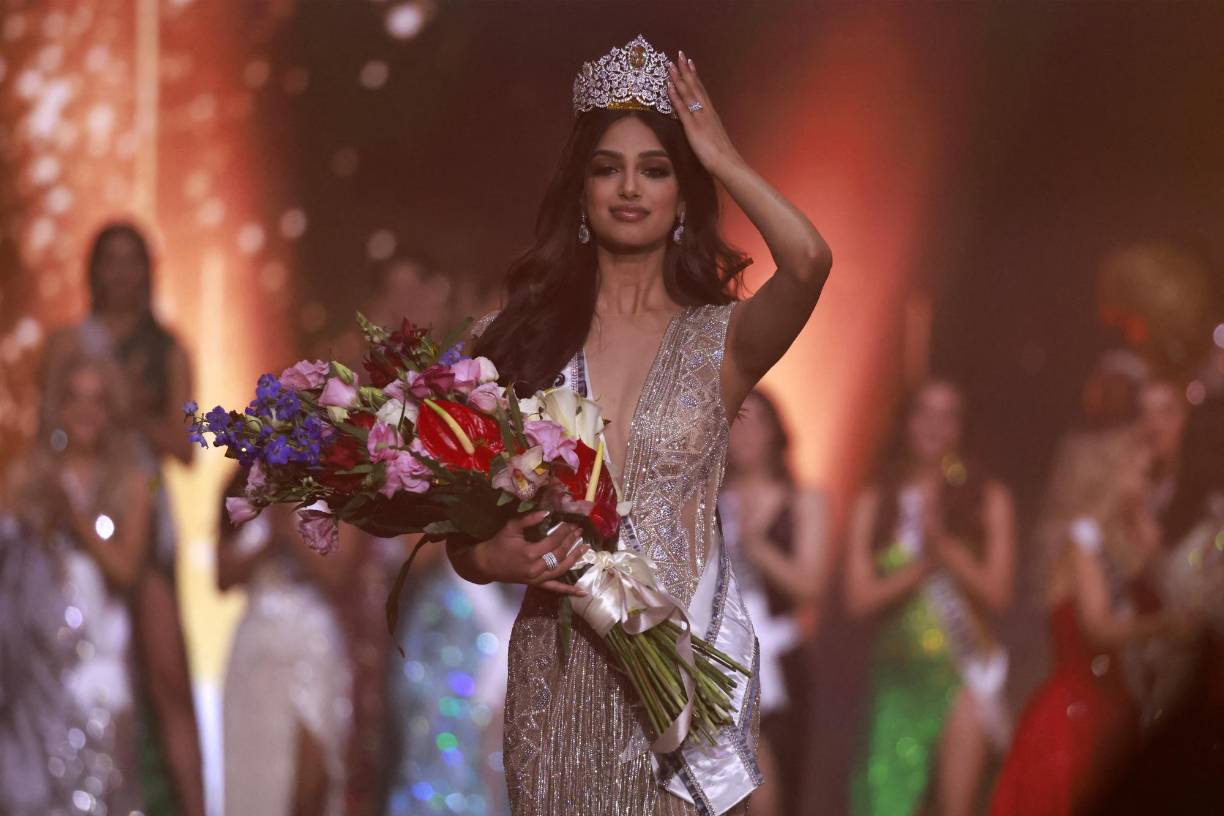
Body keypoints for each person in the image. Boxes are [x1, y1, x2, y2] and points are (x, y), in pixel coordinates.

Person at [450, 36, 832, 815]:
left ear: (682, 194)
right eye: (608, 168)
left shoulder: (720, 340)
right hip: (557, 677)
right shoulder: (514, 339)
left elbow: (809, 261)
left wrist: (721, 155)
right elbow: (458, 527)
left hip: (681, 685)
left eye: (655, 170)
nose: (630, 188)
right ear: (581, 191)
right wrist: (488, 554)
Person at [42, 221, 205, 816]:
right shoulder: (67, 343)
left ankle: (195, 804)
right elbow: (46, 431)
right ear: (93, 270)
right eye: (108, 260)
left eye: (131, 260)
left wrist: (131, 409)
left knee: (167, 673)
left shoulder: (169, 349)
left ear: (148, 270)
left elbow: (187, 450)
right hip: (76, 504)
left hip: (141, 505)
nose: (120, 273)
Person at [988, 428, 1187, 816]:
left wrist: (1152, 552)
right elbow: (1098, 626)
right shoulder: (1080, 544)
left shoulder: (1119, 546)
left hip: (1113, 712)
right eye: (1139, 473)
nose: (1147, 485)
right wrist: (1164, 625)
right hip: (1074, 718)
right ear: (1110, 474)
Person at [845, 379, 1016, 816]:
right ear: (906, 421)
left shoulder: (987, 499)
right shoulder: (875, 500)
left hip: (962, 678)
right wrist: (921, 567)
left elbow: (999, 594)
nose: (935, 426)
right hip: (897, 679)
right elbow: (858, 599)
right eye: (924, 412)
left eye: (948, 415)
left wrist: (946, 550)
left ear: (962, 427)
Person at [0, 353, 153, 814]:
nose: (86, 411)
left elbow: (126, 571)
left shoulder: (132, 481)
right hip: (32, 679)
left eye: (98, 400)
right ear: (57, 407)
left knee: (101, 794)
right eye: (74, 399)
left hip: (98, 680)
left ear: (112, 410)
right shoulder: (25, 475)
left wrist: (75, 518)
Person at [217, 470, 357, 816]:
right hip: (255, 650)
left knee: (311, 784)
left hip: (312, 645)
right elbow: (221, 577)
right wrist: (268, 539)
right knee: (257, 777)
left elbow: (339, 574)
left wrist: (290, 527)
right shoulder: (239, 486)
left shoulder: (336, 481)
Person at [718, 389, 830, 816]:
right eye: (737, 420)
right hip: (716, 661)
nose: (746, 433)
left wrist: (756, 546)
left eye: (758, 420)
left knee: (777, 790)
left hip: (779, 665)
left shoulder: (803, 500)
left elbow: (810, 587)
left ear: (776, 430)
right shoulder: (706, 501)